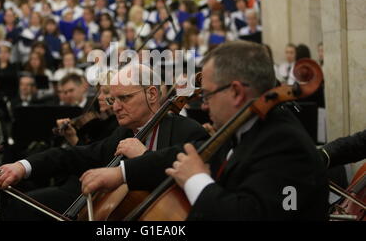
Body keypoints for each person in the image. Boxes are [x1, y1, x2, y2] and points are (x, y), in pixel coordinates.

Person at [81, 41, 329, 220]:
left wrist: (196, 180)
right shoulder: (248, 128)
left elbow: (249, 215)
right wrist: (122, 173)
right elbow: (184, 154)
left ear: (236, 92)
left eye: (208, 94)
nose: (205, 103)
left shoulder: (284, 144)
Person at [0, 64, 208, 220]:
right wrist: (23, 166)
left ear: (152, 94)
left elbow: (192, 184)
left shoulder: (189, 131)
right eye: (113, 100)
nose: (115, 107)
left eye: (125, 98)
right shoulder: (124, 133)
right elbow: (77, 155)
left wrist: (143, 158)